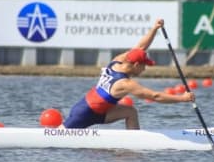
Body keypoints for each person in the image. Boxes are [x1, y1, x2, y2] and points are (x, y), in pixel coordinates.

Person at [64, 18, 195, 129]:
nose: (144, 70)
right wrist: (182, 98)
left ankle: (132, 146)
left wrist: (155, 28)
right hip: (84, 113)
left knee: (130, 111)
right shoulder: (125, 83)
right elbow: (155, 96)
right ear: (137, 65)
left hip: (98, 110)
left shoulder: (117, 61)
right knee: (62, 135)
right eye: (144, 66)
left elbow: (140, 48)